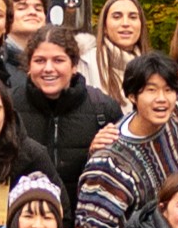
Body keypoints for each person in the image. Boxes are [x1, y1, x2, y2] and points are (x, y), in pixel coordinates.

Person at [68, 57, 178, 228]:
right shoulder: (109, 166)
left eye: (169, 90)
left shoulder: (172, 118)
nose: (162, 99)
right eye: (151, 90)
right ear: (132, 95)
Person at [9, 32, 122, 205]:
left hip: (84, 220)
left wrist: (96, 154)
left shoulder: (103, 109)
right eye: (40, 60)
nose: (48, 68)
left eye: (58, 60)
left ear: (74, 65)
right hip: (25, 222)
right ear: (29, 66)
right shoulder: (9, 106)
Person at [81, 0, 150, 100]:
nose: (125, 23)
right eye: (117, 17)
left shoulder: (153, 67)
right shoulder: (86, 63)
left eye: (133, 17)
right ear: (104, 26)